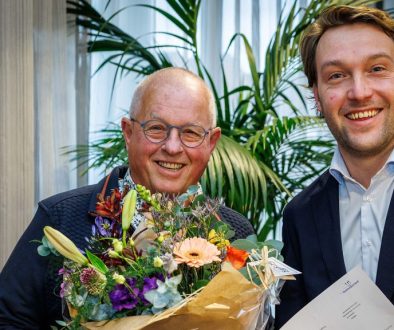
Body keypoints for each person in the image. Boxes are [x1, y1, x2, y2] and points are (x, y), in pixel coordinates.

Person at [0, 67, 255, 328]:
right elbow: (8, 321)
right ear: (128, 132)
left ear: (211, 142)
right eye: (156, 128)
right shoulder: (60, 219)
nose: (172, 147)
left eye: (190, 133)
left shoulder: (237, 234)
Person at [275, 5, 394, 328]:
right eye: (337, 76)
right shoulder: (299, 216)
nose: (359, 92)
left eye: (378, 68)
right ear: (317, 96)